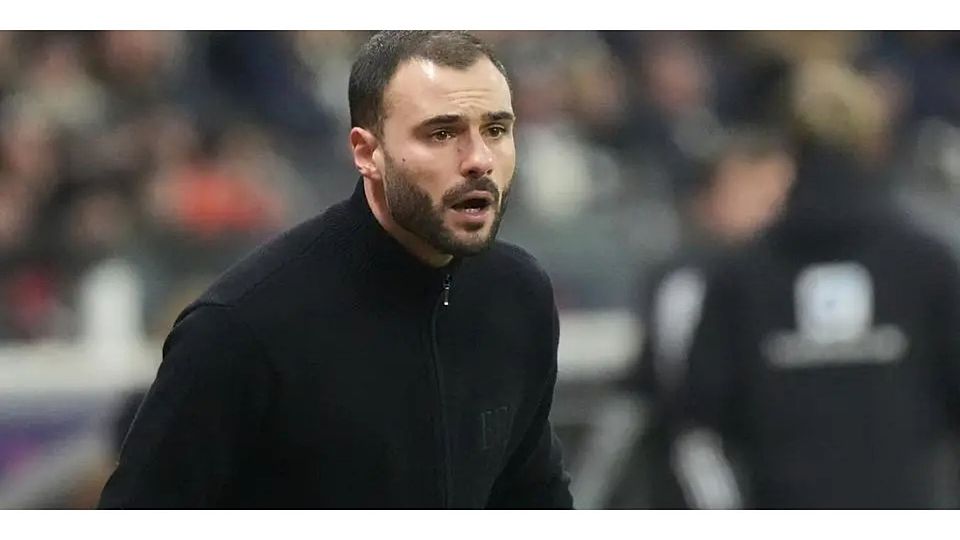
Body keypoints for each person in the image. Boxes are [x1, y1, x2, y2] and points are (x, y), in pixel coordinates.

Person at [97, 31, 573, 509]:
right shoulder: (242, 326)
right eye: (441, 133)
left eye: (495, 129)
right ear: (367, 153)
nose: (479, 161)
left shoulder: (518, 296)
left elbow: (533, 498)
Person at [672, 61, 960, 509]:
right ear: (875, 142)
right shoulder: (925, 262)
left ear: (787, 146)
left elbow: (704, 404)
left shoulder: (741, 273)